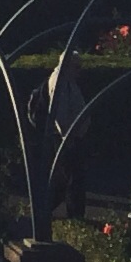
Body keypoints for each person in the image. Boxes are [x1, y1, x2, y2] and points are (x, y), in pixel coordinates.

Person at [45, 51, 89, 220]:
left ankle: (51, 208)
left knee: (68, 177)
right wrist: (67, 136)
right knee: (71, 178)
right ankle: (73, 214)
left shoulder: (68, 80)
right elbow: (60, 112)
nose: (79, 71)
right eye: (76, 67)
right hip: (65, 137)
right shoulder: (59, 82)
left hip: (71, 135)